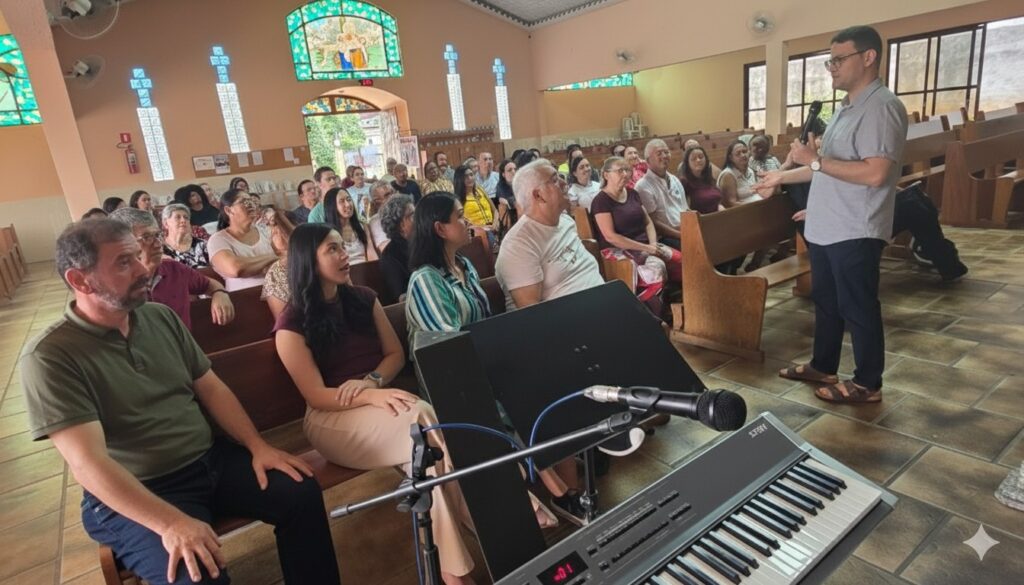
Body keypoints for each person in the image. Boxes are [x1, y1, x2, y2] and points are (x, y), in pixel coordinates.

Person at [22, 219, 340, 585]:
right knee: (197, 573)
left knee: (299, 493)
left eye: (137, 257)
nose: (144, 269)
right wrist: (169, 522)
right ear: (80, 280)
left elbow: (211, 388)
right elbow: (88, 464)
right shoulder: (52, 356)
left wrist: (257, 446)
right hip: (139, 490)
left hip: (210, 462)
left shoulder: (159, 317)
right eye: (124, 263)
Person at [273, 223, 476, 584]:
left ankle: (452, 572)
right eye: (331, 250)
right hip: (329, 417)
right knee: (424, 423)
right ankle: (484, 523)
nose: (343, 255)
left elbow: (395, 353)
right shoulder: (292, 321)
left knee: (425, 459)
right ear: (308, 260)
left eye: (341, 246)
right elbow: (315, 395)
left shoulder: (363, 298)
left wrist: (372, 382)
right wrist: (368, 395)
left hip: (380, 403)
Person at [406, 194, 585, 526]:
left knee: (544, 381)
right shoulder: (425, 280)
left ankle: (564, 474)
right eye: (460, 218)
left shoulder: (465, 266)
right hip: (448, 379)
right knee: (504, 397)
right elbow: (448, 345)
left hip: (478, 363)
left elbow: (485, 324)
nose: (468, 223)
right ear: (440, 229)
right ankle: (554, 488)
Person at [757, 25, 909, 404]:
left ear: (868, 57)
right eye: (830, 61)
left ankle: (867, 383)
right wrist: (781, 175)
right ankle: (823, 364)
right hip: (828, 224)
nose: (831, 68)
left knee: (857, 306)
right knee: (826, 301)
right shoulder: (846, 108)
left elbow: (876, 173)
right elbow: (821, 166)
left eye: (839, 59)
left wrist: (817, 162)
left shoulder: (881, 107)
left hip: (855, 227)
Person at [497, 158, 605, 310]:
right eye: (555, 180)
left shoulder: (565, 220)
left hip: (603, 304)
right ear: (538, 196)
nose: (564, 183)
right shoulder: (518, 245)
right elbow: (533, 313)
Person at [110, 208, 234, 331]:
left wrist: (219, 293)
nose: (158, 244)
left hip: (182, 347)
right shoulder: (114, 285)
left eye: (158, 235)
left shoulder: (174, 269)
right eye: (147, 237)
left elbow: (210, 285)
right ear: (122, 244)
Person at [591, 157, 681, 315]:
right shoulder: (601, 201)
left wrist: (653, 244)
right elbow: (611, 237)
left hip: (646, 246)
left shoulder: (632, 193)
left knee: (682, 260)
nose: (625, 174)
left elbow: (648, 222)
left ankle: (680, 302)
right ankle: (650, 314)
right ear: (606, 175)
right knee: (654, 272)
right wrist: (646, 248)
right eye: (620, 170)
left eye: (627, 170)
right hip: (618, 251)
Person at [207, 189, 280, 291]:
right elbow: (236, 269)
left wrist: (255, 265)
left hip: (277, 291)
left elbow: (285, 256)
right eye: (244, 202)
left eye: (251, 201)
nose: (251, 205)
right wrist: (273, 258)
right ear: (229, 210)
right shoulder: (218, 240)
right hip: (243, 298)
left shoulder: (265, 231)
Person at [634, 139, 689, 249]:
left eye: (666, 152)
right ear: (648, 161)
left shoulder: (674, 179)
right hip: (666, 237)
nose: (664, 156)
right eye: (659, 153)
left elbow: (685, 209)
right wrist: (682, 235)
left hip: (685, 229)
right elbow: (654, 223)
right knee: (695, 246)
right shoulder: (643, 186)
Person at [378, 194, 415, 305]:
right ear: (400, 224)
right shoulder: (390, 256)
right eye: (412, 215)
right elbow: (402, 298)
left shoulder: (423, 243)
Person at [323, 187, 374, 264]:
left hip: (365, 270)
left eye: (349, 199)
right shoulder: (327, 233)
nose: (347, 204)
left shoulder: (362, 226)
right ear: (332, 206)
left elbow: (371, 252)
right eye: (342, 201)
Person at [453, 165, 500, 244]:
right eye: (466, 176)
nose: (470, 178)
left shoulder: (479, 189)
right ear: (460, 179)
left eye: (471, 175)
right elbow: (464, 224)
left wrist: (495, 224)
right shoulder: (457, 199)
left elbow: (495, 210)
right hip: (477, 233)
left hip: (493, 228)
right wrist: (484, 228)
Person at [162, 204, 211, 268]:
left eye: (186, 217)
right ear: (166, 224)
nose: (183, 220)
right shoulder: (159, 249)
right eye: (177, 217)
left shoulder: (203, 245)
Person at [678, 146, 725, 214]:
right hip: (701, 220)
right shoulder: (684, 182)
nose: (698, 160)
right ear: (687, 163)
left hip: (717, 216)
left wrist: (719, 206)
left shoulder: (708, 178)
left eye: (701, 157)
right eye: (694, 158)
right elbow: (684, 209)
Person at [718, 140, 762, 207]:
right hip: (743, 212)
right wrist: (754, 207)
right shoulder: (728, 175)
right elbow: (731, 203)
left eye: (744, 151)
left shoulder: (750, 171)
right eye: (738, 153)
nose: (743, 155)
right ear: (731, 158)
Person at [364, 180, 395, 252]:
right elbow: (387, 250)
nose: (393, 197)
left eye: (392, 193)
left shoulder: (403, 212)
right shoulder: (376, 222)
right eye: (387, 195)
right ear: (376, 202)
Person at [494, 158, 519, 227]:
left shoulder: (521, 183)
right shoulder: (500, 187)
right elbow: (511, 202)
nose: (513, 172)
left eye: (515, 169)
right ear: (503, 174)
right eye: (509, 170)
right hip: (512, 221)